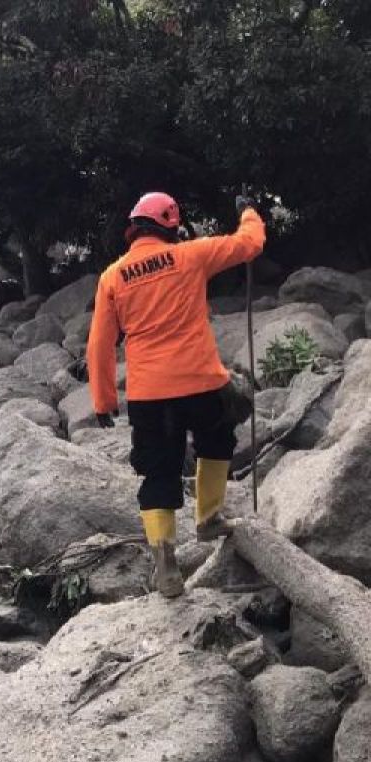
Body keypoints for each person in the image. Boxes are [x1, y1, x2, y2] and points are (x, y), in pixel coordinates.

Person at [86, 191, 265, 598]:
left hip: (150, 394)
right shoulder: (190, 255)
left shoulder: (113, 276)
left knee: (158, 472)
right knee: (216, 444)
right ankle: (209, 519)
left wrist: (103, 400)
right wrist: (248, 211)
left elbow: (100, 343)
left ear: (134, 228)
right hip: (202, 383)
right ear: (170, 224)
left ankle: (165, 565)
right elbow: (250, 243)